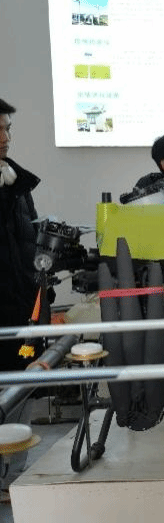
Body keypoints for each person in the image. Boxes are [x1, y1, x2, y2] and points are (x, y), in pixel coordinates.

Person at [0, 98, 42, 499]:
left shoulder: (17, 184)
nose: (5, 138)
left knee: (22, 389)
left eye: (6, 128)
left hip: (21, 312)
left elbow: (27, 245)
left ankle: (12, 480)